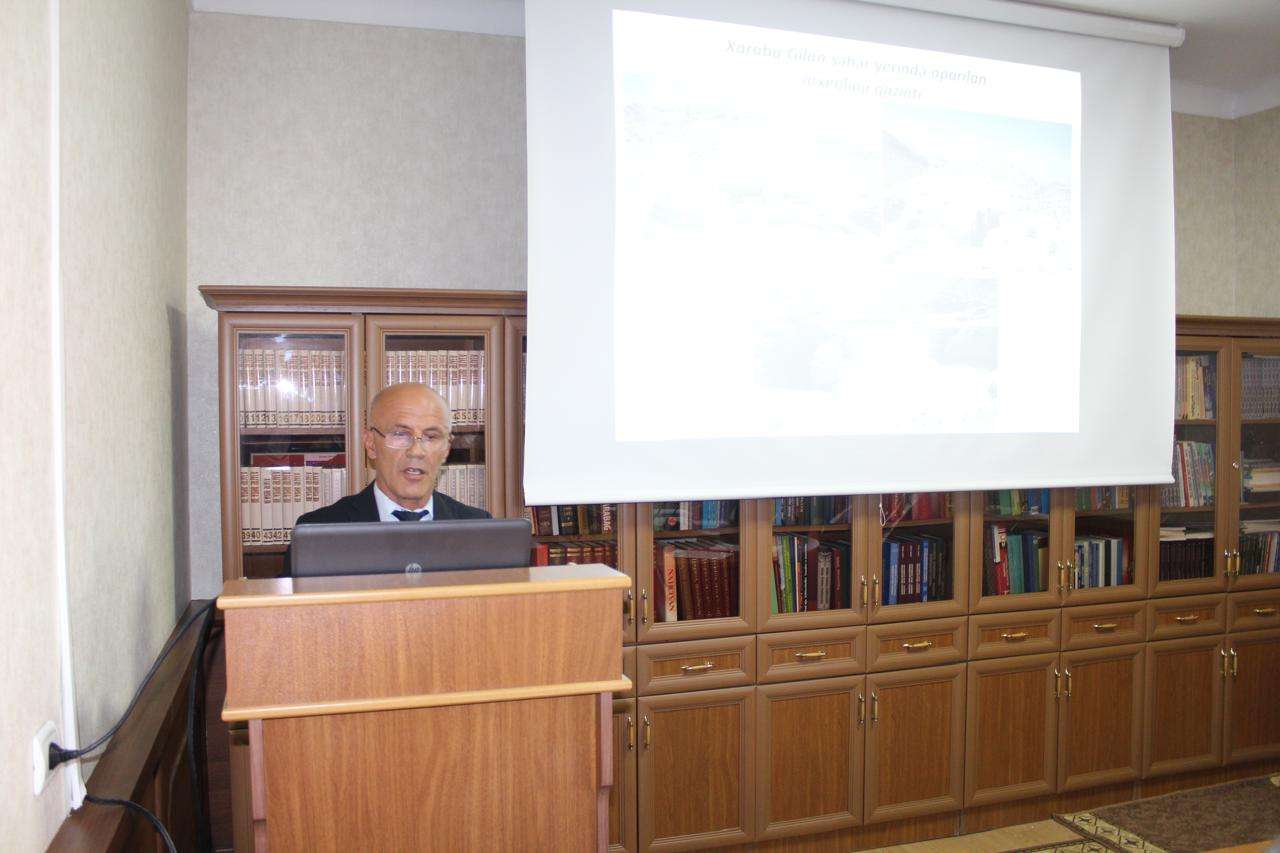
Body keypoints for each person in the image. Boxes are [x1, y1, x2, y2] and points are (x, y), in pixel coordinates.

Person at [282, 382, 490, 574]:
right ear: (371, 444)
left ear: (446, 450)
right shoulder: (319, 535)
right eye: (400, 434)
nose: (416, 451)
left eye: (431, 437)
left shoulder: (479, 530)